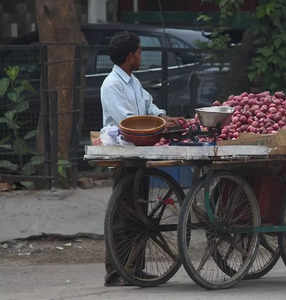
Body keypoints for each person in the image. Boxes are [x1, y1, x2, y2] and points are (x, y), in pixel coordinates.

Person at [100, 31, 180, 286]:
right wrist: (158, 124)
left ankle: (135, 268)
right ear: (129, 55)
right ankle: (117, 271)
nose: (141, 56)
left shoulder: (133, 82)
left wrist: (164, 117)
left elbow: (149, 108)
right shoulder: (111, 85)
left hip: (141, 152)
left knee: (140, 212)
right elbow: (130, 121)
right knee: (124, 215)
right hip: (125, 154)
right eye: (139, 52)